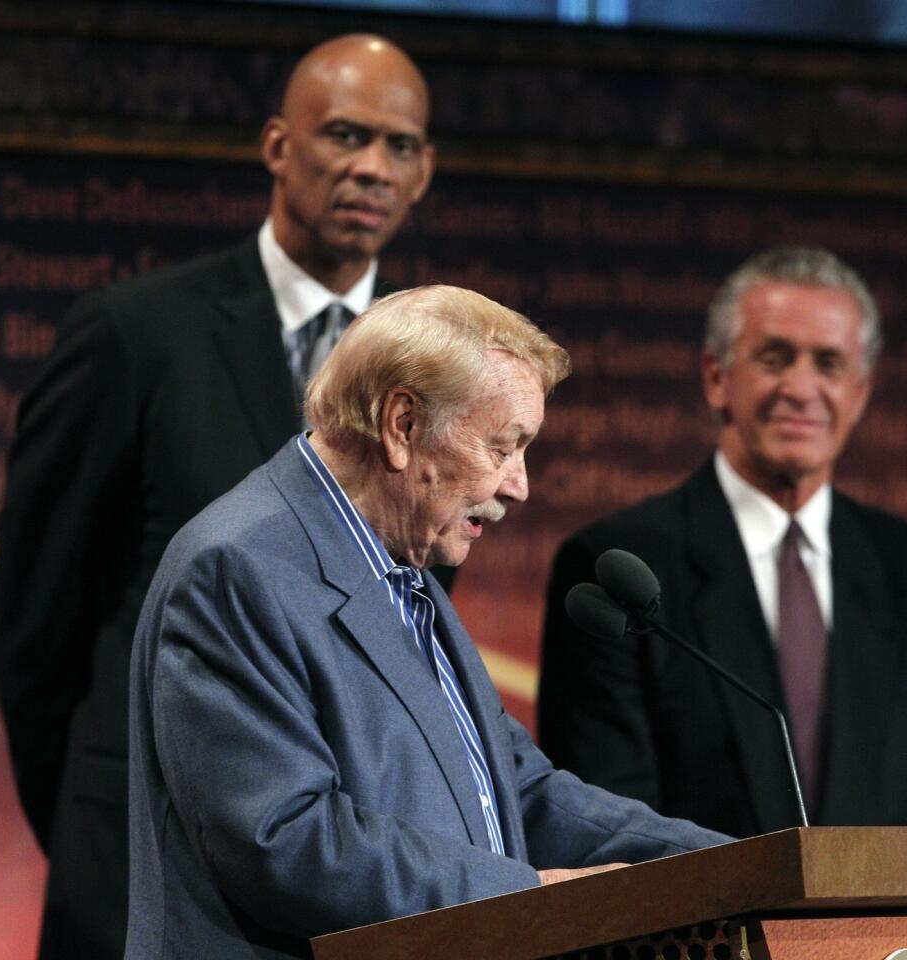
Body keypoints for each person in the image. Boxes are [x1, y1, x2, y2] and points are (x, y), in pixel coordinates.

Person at [0, 33, 438, 959]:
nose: (369, 167)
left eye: (398, 146)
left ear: (424, 172)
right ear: (277, 145)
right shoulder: (135, 333)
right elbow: (34, 622)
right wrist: (91, 802)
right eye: (344, 135)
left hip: (353, 882)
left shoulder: (436, 371)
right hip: (139, 865)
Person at [125, 285, 728, 958]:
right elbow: (286, 839)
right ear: (402, 426)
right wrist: (531, 896)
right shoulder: (238, 569)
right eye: (502, 447)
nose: (518, 484)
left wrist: (736, 868)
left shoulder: (405, 573)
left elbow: (516, 792)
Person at [537, 246, 907, 838]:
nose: (801, 388)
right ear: (716, 378)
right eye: (775, 357)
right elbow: (608, 822)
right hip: (702, 930)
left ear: (860, 394)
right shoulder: (620, 571)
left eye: (829, 364)